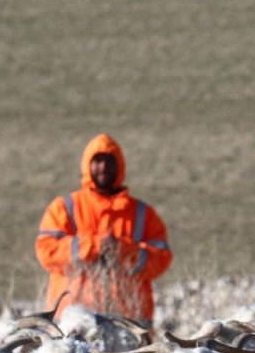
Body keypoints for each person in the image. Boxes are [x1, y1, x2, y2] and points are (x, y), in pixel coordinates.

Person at [35, 134, 172, 322]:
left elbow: (161, 260)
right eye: (97, 161)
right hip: (72, 322)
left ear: (120, 166)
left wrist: (123, 250)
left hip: (129, 323)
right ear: (86, 165)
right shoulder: (64, 208)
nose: (103, 167)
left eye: (109, 161)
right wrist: (93, 246)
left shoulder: (142, 213)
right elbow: (46, 251)